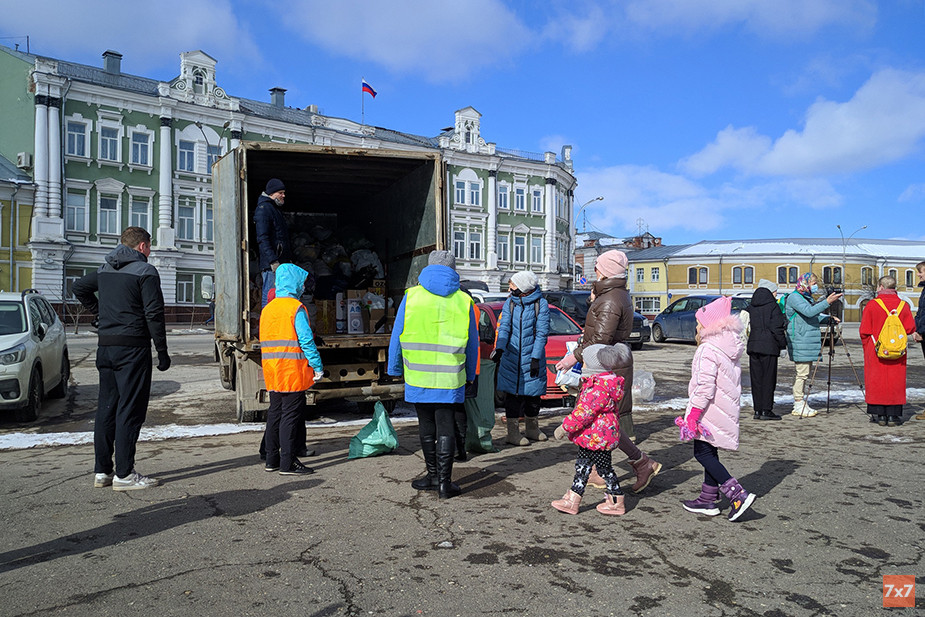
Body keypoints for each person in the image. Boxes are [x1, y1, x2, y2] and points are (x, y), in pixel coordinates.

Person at [556, 249, 662, 493]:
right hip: (610, 363)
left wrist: (573, 357)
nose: (594, 270)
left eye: (597, 266)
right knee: (603, 421)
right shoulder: (614, 295)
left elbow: (600, 340)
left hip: (603, 366)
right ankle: (627, 465)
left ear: (606, 271)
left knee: (594, 419)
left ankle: (635, 465)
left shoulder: (610, 300)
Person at [72, 226, 169, 491]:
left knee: (106, 408)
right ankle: (125, 475)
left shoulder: (105, 269)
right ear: (142, 246)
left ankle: (103, 471)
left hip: (105, 347)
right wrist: (161, 350)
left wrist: (100, 313)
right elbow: (153, 313)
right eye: (149, 246)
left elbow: (79, 287)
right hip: (133, 349)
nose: (150, 251)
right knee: (130, 409)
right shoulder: (145, 271)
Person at [388, 250, 478, 499]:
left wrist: (394, 368)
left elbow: (397, 334)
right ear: (453, 270)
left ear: (428, 268)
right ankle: (445, 485)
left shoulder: (411, 296)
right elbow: (472, 344)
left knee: (426, 426)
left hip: (418, 375)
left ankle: (433, 476)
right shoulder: (464, 300)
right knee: (446, 426)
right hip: (450, 377)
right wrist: (470, 374)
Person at [676, 296, 756, 522]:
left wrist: (692, 415)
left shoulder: (707, 349)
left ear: (709, 325)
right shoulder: (727, 346)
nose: (696, 327)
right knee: (709, 451)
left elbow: (704, 387)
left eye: (699, 323)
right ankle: (707, 498)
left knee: (701, 453)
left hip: (708, 411)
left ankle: (736, 494)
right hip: (722, 408)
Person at [551, 344, 630, 516]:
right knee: (582, 466)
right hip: (594, 436)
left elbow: (583, 413)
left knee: (604, 469)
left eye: (584, 363)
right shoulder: (605, 382)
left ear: (594, 365)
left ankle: (616, 500)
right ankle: (573, 499)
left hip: (598, 437)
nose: (582, 366)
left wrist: (564, 427)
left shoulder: (598, 387)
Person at [260, 263, 324, 475]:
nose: (303, 287)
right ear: (295, 283)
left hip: (272, 371)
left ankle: (271, 460)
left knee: (275, 414)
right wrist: (317, 365)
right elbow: (306, 340)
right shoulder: (296, 308)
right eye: (301, 283)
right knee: (290, 416)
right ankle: (288, 463)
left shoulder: (268, 309)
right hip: (291, 372)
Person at [492, 270, 550, 446]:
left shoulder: (541, 304)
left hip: (532, 358)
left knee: (533, 396)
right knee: (512, 397)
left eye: (513, 284)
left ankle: (532, 429)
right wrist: (500, 348)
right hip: (511, 358)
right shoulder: (510, 303)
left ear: (523, 287)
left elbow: (542, 333)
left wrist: (535, 357)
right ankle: (513, 433)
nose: (510, 287)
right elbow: (504, 327)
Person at [859, 275, 916, 427]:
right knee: (895, 381)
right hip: (897, 351)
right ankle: (893, 415)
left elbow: (864, 330)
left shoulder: (872, 305)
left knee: (876, 380)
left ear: (881, 287)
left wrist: (867, 346)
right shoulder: (903, 305)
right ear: (894, 287)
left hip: (876, 349)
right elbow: (910, 328)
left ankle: (880, 415)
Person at [784, 273, 843, 418]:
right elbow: (809, 312)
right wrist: (827, 302)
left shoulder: (804, 297)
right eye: (813, 283)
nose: (815, 286)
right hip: (801, 339)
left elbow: (811, 316)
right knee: (802, 373)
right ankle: (798, 403)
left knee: (804, 373)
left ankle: (800, 402)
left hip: (806, 339)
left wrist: (828, 319)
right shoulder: (795, 297)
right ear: (805, 283)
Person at [745, 279, 788, 420]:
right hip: (769, 347)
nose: (776, 294)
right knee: (768, 379)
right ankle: (766, 410)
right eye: (775, 292)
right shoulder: (773, 307)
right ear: (770, 292)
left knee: (756, 380)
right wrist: (783, 345)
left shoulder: (751, 306)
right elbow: (777, 328)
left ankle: (757, 410)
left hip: (754, 346)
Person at [255, 178, 291, 308]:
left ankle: (274, 320)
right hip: (272, 265)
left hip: (279, 262)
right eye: (280, 193)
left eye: (284, 193)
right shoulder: (264, 209)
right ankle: (267, 320)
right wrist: (272, 261)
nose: (283, 195)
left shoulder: (274, 209)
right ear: (272, 193)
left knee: (278, 296)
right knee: (270, 295)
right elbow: (262, 238)